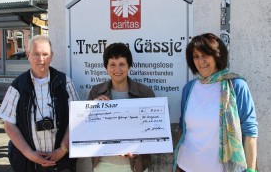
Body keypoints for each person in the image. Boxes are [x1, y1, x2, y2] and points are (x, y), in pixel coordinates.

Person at [172, 33, 258, 172]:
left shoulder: (236, 86)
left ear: (217, 55)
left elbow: (250, 132)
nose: (201, 61)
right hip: (186, 166)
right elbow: (184, 128)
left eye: (205, 55)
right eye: (196, 56)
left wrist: (251, 170)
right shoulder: (189, 88)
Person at [0, 35, 79, 172]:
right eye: (36, 54)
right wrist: (30, 154)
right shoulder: (18, 85)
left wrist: (63, 150)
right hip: (28, 164)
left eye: (45, 54)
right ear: (28, 55)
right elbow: (9, 125)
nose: (41, 59)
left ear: (51, 56)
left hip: (62, 162)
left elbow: (77, 118)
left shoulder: (65, 82)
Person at [87, 42, 155, 172]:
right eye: (112, 64)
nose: (117, 70)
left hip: (136, 166)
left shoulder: (145, 93)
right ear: (106, 67)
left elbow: (152, 132)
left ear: (129, 66)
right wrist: (92, 109)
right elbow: (86, 130)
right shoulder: (95, 93)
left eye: (122, 64)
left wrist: (137, 151)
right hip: (103, 164)